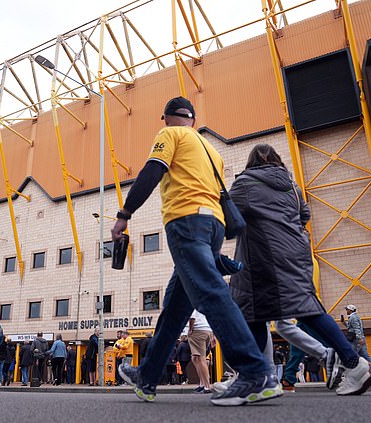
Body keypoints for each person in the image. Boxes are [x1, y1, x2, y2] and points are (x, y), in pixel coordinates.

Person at [113, 97, 281, 406]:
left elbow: (152, 172)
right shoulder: (211, 150)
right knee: (176, 306)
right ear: (192, 119)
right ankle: (147, 376)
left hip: (186, 221)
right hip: (213, 225)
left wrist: (124, 214)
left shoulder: (170, 135)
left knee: (210, 292)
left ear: (165, 118)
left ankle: (254, 372)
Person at [228, 143, 371, 396]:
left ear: (250, 162)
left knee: (252, 312)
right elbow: (304, 215)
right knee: (307, 309)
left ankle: (257, 378)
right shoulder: (292, 186)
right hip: (296, 255)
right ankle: (352, 362)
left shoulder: (245, 183)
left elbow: (228, 218)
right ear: (277, 160)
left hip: (261, 256)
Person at [344, 305, 371, 377]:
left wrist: (359, 338)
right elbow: (352, 328)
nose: (346, 311)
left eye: (347, 309)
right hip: (359, 338)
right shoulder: (355, 317)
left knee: (351, 355)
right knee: (366, 356)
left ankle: (348, 374)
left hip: (356, 340)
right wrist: (344, 322)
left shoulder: (353, 317)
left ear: (351, 310)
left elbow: (356, 328)